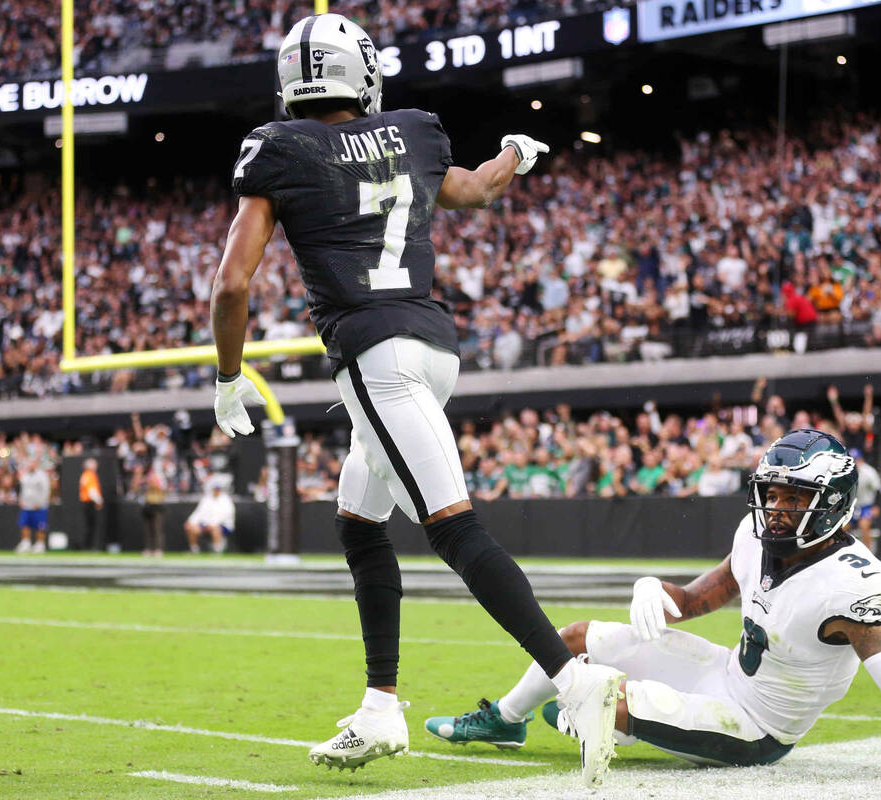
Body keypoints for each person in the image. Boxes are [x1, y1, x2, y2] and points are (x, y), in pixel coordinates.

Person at [208, 13, 622, 787]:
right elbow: (475, 190)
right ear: (359, 72)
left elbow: (233, 281)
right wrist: (514, 154)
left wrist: (229, 376)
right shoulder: (414, 132)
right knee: (360, 520)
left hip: (375, 355)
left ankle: (574, 682)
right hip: (433, 349)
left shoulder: (280, 146)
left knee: (454, 528)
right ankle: (380, 706)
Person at [425, 430, 881, 793]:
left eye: (795, 497)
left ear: (834, 502)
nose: (776, 508)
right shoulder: (756, 535)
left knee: (603, 700)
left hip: (756, 726)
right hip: (722, 672)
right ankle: (505, 720)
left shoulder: (850, 584)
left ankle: (603, 720)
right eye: (772, 493)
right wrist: (653, 588)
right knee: (577, 637)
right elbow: (698, 599)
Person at [184, 476, 235, 554]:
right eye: (215, 489)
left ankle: (217, 550)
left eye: (217, 489)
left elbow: (226, 515)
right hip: (206, 525)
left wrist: (212, 524)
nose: (216, 491)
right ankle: (194, 550)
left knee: (216, 528)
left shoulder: (226, 500)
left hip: (223, 526)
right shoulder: (206, 499)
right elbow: (198, 512)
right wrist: (190, 522)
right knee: (190, 527)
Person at [15, 459, 52, 554]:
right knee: (25, 524)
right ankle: (26, 543)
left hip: (38, 506)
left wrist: (41, 503)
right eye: (29, 463)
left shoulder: (42, 476)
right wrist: (21, 500)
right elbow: (22, 489)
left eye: (32, 463)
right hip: (27, 505)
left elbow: (46, 491)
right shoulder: (25, 476)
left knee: (40, 526)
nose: (30, 465)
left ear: (36, 464)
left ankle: (40, 544)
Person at [850, 448, 881, 552]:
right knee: (841, 528)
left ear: (861, 460)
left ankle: (868, 554)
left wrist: (876, 506)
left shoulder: (869, 472)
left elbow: (878, 489)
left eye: (857, 460)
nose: (855, 463)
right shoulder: (846, 473)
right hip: (852, 506)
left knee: (864, 525)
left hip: (866, 505)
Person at [79, 457, 104, 551]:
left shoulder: (85, 475)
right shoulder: (90, 475)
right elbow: (92, 491)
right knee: (91, 525)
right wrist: (99, 501)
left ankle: (86, 546)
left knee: (88, 525)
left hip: (85, 502)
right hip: (90, 502)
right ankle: (89, 546)